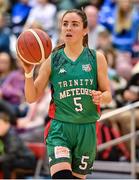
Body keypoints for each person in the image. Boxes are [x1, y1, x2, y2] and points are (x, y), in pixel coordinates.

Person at [18, 9, 112, 179]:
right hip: (60, 129)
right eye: (65, 24)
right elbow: (31, 97)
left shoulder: (96, 58)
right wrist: (28, 73)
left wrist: (101, 96)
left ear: (85, 30)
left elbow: (108, 95)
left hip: (87, 129)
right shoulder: (53, 59)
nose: (68, 28)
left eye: (74, 24)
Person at [0, 112, 36, 179]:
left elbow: (11, 155)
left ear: (7, 124)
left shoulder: (12, 136)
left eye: (0, 124)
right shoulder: (3, 136)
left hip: (26, 160)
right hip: (17, 158)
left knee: (5, 163)